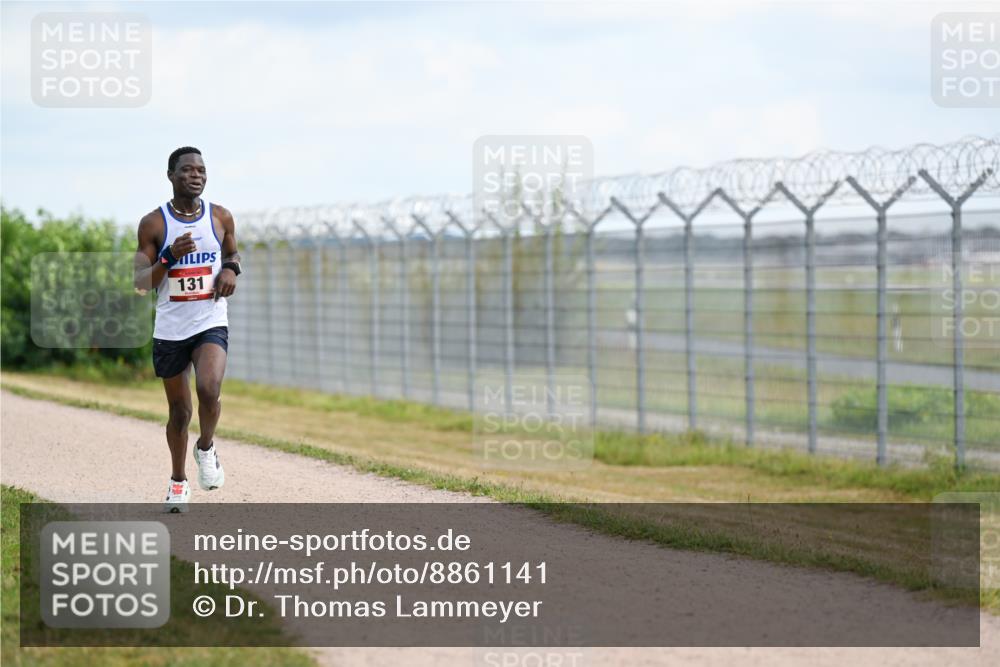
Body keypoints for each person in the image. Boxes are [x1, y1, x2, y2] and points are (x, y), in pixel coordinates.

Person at [133, 146, 242, 512]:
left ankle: (206, 448)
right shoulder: (154, 224)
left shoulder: (221, 216)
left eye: (201, 170)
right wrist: (168, 258)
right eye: (187, 170)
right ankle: (178, 482)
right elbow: (141, 283)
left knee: (209, 388)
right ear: (171, 176)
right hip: (170, 329)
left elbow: (232, 253)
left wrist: (230, 270)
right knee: (180, 413)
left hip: (210, 319)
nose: (196, 175)